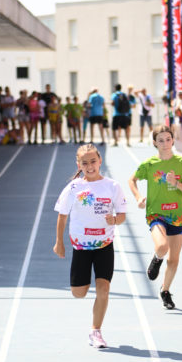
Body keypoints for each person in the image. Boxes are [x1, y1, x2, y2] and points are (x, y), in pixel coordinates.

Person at [53, 143, 127, 348]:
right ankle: (84, 283)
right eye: (84, 163)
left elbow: (122, 215)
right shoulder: (74, 187)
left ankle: (96, 331)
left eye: (93, 161)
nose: (90, 166)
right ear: (79, 164)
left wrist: (115, 220)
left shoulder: (112, 186)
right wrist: (59, 242)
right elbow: (62, 216)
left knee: (104, 288)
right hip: (81, 247)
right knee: (79, 293)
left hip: (104, 244)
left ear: (100, 161)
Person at [128, 126, 182, 310]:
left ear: (173, 140)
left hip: (177, 215)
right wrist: (138, 197)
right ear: (155, 143)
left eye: (168, 139)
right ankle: (157, 259)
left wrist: (176, 183)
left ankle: (165, 290)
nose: (165, 143)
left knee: (174, 260)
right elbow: (131, 180)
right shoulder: (150, 164)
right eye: (161, 140)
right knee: (161, 246)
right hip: (156, 213)